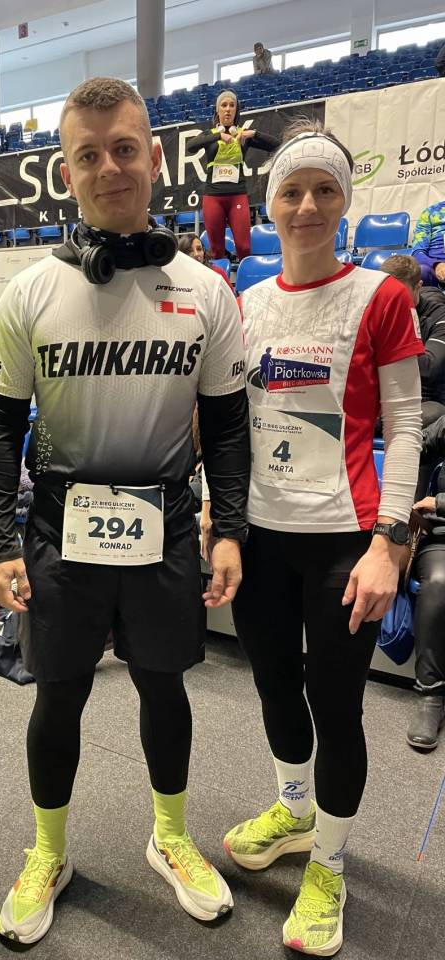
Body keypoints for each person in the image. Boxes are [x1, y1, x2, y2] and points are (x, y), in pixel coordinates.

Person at [0, 76, 250, 944]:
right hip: (59, 529)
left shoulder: (206, 291)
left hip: (165, 524)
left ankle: (169, 838)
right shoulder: (29, 293)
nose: (109, 167)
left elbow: (229, 426)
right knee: (56, 696)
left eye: (125, 148)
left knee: (164, 686)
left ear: (154, 157)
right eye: (88, 155)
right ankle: (48, 852)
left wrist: (229, 528)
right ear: (66, 172)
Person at [223, 121, 423, 956]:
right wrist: (220, 522)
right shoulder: (245, 304)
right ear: (269, 205)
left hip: (346, 541)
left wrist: (388, 543)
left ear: (345, 203)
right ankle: (295, 811)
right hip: (262, 540)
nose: (307, 206)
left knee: (336, 707)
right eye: (292, 191)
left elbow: (405, 427)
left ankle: (330, 865)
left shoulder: (382, 296)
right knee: (274, 686)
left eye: (325, 190)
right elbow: (228, 425)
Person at [188, 90, 279, 261]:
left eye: (232, 105)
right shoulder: (210, 135)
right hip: (213, 197)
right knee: (216, 251)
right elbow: (190, 146)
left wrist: (254, 134)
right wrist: (218, 135)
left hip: (237, 196)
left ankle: (245, 277)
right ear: (218, 110)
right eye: (224, 105)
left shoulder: (243, 135)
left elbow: (277, 145)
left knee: (244, 247)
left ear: (237, 110)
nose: (228, 109)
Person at [405, 415, 445, 749]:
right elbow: (413, 447)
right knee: (439, 581)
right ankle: (431, 695)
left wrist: (441, 502)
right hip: (443, 536)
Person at [380, 254, 445, 428]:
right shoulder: (376, 311)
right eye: (386, 293)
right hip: (384, 396)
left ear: (418, 287)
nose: (391, 300)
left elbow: (429, 366)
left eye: (399, 293)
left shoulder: (439, 315)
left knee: (432, 413)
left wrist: (384, 345)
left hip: (425, 399)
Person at [411, 199, 445, 288]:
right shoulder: (430, 213)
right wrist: (436, 265)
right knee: (422, 271)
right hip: (435, 270)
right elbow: (417, 252)